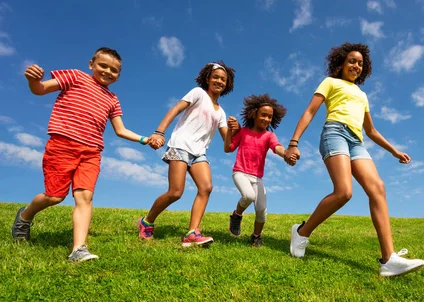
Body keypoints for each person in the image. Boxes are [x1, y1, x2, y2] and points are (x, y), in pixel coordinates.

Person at [284, 42, 424, 277]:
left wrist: (394, 151)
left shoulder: (362, 95)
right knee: (344, 192)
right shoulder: (330, 82)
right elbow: (310, 111)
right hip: (334, 133)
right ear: (341, 63)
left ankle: (388, 259)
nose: (356, 66)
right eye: (352, 61)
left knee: (377, 188)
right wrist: (294, 143)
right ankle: (302, 232)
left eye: (360, 63)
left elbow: (371, 131)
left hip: (356, 141)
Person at [11, 47, 161, 262]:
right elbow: (41, 89)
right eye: (103, 66)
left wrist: (144, 139)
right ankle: (25, 216)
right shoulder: (75, 76)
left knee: (85, 196)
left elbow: (120, 129)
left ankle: (78, 249)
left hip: (91, 152)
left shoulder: (112, 99)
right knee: (54, 196)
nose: (108, 71)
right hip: (62, 145)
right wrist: (33, 81)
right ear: (91, 64)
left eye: (114, 70)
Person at [137, 61, 236, 247]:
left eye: (223, 79)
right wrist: (159, 132)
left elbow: (228, 146)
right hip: (181, 145)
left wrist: (232, 130)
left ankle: (192, 233)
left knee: (206, 187)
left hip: (199, 153)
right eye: (216, 77)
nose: (219, 81)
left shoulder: (221, 112)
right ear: (208, 79)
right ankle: (146, 222)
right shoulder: (198, 93)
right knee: (175, 192)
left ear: (227, 84)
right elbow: (175, 110)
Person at [224, 94, 291, 247]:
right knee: (248, 195)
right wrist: (230, 130)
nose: (267, 119)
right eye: (263, 115)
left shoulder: (269, 135)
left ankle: (256, 237)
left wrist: (286, 153)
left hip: (257, 177)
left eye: (270, 117)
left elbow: (277, 147)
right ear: (254, 114)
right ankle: (236, 216)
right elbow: (228, 148)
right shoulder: (244, 132)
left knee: (261, 210)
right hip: (240, 172)